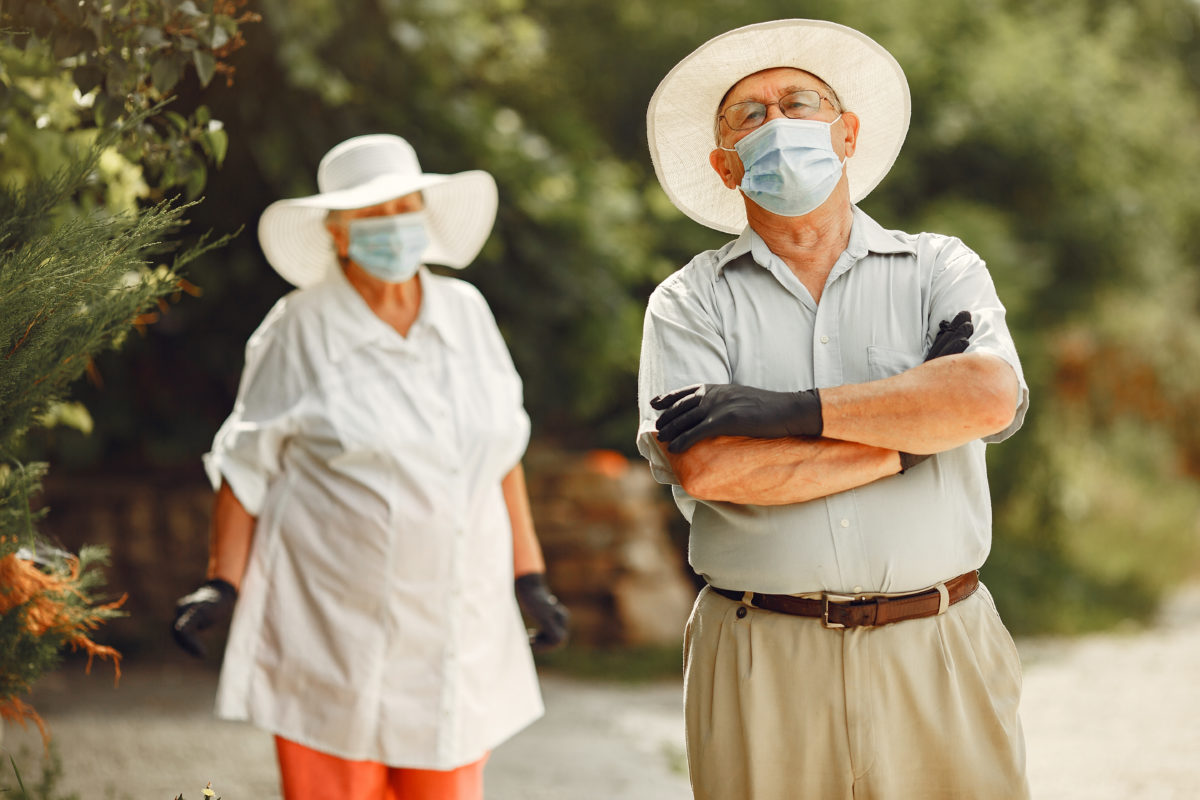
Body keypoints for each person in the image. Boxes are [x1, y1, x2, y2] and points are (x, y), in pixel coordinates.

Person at [637, 19, 1030, 800]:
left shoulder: (940, 267)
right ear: (725, 167)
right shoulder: (688, 301)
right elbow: (712, 465)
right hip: (761, 653)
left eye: (799, 102)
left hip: (941, 643)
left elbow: (986, 395)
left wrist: (779, 411)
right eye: (750, 117)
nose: (777, 125)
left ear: (846, 133)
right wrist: (910, 440)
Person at [171, 134, 568, 800]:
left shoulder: (466, 314)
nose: (394, 228)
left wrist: (530, 578)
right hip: (332, 627)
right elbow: (246, 465)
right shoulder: (298, 326)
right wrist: (222, 585)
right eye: (372, 216)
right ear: (338, 234)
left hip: (455, 629)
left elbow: (503, 453)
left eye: (404, 208)